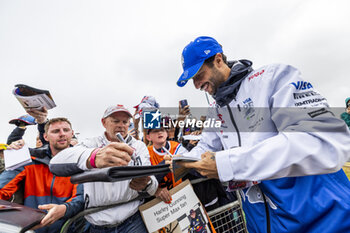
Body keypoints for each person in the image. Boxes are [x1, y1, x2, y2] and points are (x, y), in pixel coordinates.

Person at [171, 36, 350, 233]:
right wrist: (175, 162)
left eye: (198, 75)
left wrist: (228, 164)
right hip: (264, 223)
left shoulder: (272, 78)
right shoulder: (215, 109)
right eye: (192, 80)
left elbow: (324, 140)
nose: (196, 85)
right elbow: (205, 147)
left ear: (218, 60)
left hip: (322, 219)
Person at [49, 105, 158, 233]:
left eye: (125, 122)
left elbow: (152, 184)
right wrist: (93, 157)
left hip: (132, 221)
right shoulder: (90, 144)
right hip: (98, 224)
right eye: (115, 121)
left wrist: (146, 184)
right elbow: (56, 162)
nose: (121, 125)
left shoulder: (138, 146)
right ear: (104, 122)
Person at [0, 117, 84, 233]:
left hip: (67, 228)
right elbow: (3, 186)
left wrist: (64, 209)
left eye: (66, 130)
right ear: (45, 137)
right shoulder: (29, 159)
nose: (62, 134)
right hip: (31, 227)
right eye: (55, 131)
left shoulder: (81, 163)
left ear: (72, 133)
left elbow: (81, 198)